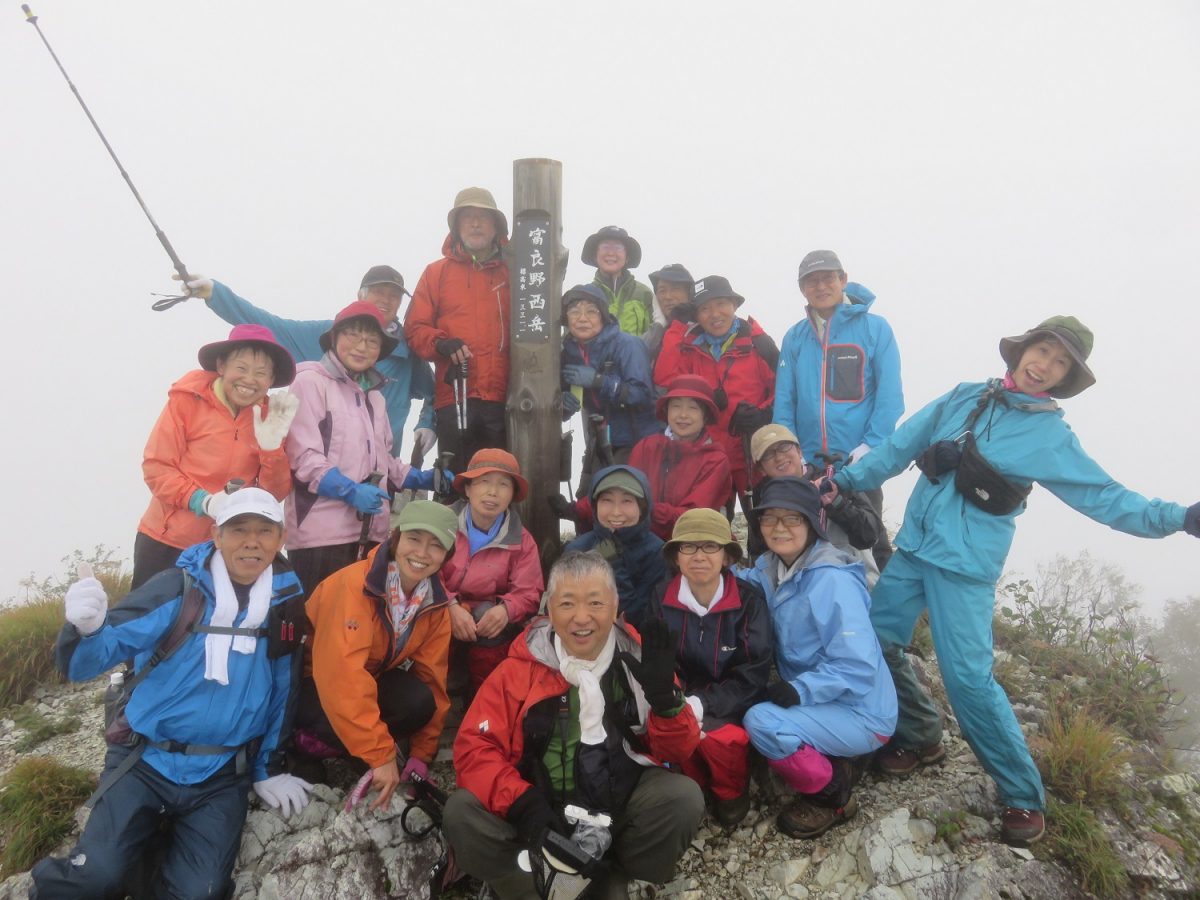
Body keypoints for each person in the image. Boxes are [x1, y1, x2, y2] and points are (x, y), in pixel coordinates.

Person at [832, 316, 1200, 846]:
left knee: (970, 683)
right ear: (1021, 349)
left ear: (1064, 377)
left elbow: (1106, 497)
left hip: (964, 569)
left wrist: (1178, 516)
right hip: (912, 551)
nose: (1044, 365)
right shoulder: (964, 396)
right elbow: (895, 449)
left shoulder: (1049, 435)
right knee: (875, 644)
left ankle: (1023, 794)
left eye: (1059, 362)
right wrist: (839, 483)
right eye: (1041, 350)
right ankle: (920, 735)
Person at [33, 489, 312, 898]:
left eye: (264, 531)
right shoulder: (178, 590)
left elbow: (284, 690)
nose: (252, 541)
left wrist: (266, 769)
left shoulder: (285, 604)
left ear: (280, 538)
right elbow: (83, 664)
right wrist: (85, 630)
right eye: (239, 530)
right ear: (216, 535)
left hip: (221, 775)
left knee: (201, 892)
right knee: (95, 878)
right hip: (145, 760)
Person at [442, 551, 704, 900]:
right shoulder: (519, 670)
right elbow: (474, 749)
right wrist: (523, 804)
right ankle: (534, 886)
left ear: (614, 608)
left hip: (617, 804)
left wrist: (667, 703)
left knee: (682, 798)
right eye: (567, 604)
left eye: (595, 603)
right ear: (549, 610)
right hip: (538, 813)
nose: (582, 618)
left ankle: (616, 872)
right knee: (461, 813)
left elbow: (677, 751)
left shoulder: (639, 663)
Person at [741, 478, 896, 839]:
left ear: (813, 523)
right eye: (770, 518)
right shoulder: (772, 568)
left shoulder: (831, 580)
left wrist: (800, 690)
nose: (779, 528)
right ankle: (834, 751)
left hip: (862, 711)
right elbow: (739, 582)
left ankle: (833, 796)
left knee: (761, 721)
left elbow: (857, 666)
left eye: (792, 519)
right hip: (828, 701)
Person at [294, 500, 459, 809]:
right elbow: (341, 677)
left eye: (436, 546)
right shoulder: (354, 585)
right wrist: (382, 755)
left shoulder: (433, 604)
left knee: (418, 700)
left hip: (366, 679)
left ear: (447, 556)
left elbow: (434, 679)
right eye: (414, 539)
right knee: (326, 717)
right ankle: (301, 748)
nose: (422, 553)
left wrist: (422, 755)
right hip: (311, 686)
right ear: (395, 538)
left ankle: (357, 749)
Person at [178, 265, 437, 461]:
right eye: (379, 291)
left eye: (394, 295)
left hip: (382, 473)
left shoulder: (407, 350)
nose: (386, 299)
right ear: (360, 294)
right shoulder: (325, 335)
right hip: (322, 470)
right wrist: (215, 293)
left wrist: (428, 423)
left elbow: (438, 393)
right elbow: (268, 325)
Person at [285, 301, 440, 594]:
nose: (361, 346)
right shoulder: (309, 381)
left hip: (372, 535)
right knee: (318, 630)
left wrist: (424, 478)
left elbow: (385, 464)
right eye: (353, 335)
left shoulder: (375, 398)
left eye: (372, 341)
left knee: (358, 630)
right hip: (320, 537)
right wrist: (350, 490)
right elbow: (303, 458)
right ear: (334, 338)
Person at [134, 324, 298, 589]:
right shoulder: (187, 401)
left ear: (271, 380)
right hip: (167, 540)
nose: (249, 380)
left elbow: (274, 494)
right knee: (149, 625)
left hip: (229, 548)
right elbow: (157, 467)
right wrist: (204, 501)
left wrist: (271, 449)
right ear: (221, 366)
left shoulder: (271, 418)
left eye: (261, 373)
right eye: (241, 368)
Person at [773, 250, 902, 570]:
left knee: (869, 543)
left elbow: (890, 397)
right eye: (811, 281)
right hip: (808, 465)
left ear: (843, 280)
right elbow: (784, 400)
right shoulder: (795, 337)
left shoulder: (876, 329)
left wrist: (869, 447)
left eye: (828, 278)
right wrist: (792, 452)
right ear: (802, 288)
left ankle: (880, 617)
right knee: (807, 547)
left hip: (859, 463)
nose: (820, 286)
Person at [646, 509, 772, 826]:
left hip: (732, 700)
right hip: (682, 697)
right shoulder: (660, 597)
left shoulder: (749, 602)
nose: (698, 556)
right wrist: (675, 699)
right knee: (673, 731)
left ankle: (730, 795)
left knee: (721, 739)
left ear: (727, 557)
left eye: (710, 547)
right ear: (676, 556)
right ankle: (693, 790)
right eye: (688, 546)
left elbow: (753, 672)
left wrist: (705, 703)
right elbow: (659, 659)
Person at [404, 187, 511, 467]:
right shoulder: (436, 273)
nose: (475, 224)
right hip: (454, 395)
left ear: (496, 226)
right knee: (457, 486)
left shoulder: (514, 272)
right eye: (468, 217)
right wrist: (440, 343)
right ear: (456, 226)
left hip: (508, 399)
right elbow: (414, 328)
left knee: (502, 482)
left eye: (483, 218)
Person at [653, 275, 778, 500]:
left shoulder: (758, 344)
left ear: (734, 305)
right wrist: (676, 326)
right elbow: (664, 377)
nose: (714, 314)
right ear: (697, 316)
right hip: (706, 455)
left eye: (721, 304)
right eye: (704, 308)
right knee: (710, 527)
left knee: (760, 522)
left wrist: (763, 413)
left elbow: (784, 390)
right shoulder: (690, 347)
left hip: (752, 453)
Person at [441, 449, 544, 697]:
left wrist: (506, 609)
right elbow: (424, 571)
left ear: (513, 494)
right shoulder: (441, 523)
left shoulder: (522, 540)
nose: (492, 492)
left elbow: (529, 591)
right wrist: (450, 605)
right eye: (483, 482)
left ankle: (483, 698)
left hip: (485, 619)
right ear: (467, 489)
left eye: (503, 485)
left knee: (488, 618)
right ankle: (443, 685)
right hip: (442, 610)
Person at [749, 423, 883, 587]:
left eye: (784, 447)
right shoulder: (763, 496)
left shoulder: (835, 480)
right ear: (761, 469)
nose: (779, 457)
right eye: (768, 454)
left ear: (799, 451)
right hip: (792, 583)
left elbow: (870, 535)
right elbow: (758, 549)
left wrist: (837, 504)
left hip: (847, 578)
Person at [560, 284, 659, 483]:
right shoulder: (566, 352)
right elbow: (562, 400)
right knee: (593, 500)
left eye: (591, 311)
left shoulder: (628, 345)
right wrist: (561, 404)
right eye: (574, 311)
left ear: (603, 317)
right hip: (600, 441)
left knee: (628, 499)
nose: (582, 318)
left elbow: (642, 395)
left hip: (638, 440)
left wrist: (599, 381)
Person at [628, 375, 733, 540]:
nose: (683, 415)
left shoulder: (716, 460)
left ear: (705, 415)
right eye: (676, 406)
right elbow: (626, 494)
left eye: (693, 408)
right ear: (667, 410)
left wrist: (646, 509)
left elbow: (693, 516)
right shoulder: (645, 447)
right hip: (641, 540)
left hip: (691, 545)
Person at [561, 466, 667, 629]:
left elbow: (638, 617)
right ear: (595, 507)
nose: (616, 512)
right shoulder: (577, 549)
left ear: (642, 507)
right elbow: (564, 609)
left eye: (627, 501)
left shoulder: (658, 553)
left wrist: (613, 567)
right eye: (607, 500)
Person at [582, 225, 656, 338]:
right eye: (605, 246)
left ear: (627, 257)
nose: (611, 253)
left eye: (618, 247)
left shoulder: (644, 294)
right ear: (595, 256)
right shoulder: (583, 295)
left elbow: (655, 338)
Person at [643, 263, 695, 365]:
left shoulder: (702, 329)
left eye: (675, 289)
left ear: (689, 293)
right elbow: (636, 357)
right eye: (662, 290)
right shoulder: (652, 331)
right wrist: (659, 324)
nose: (667, 296)